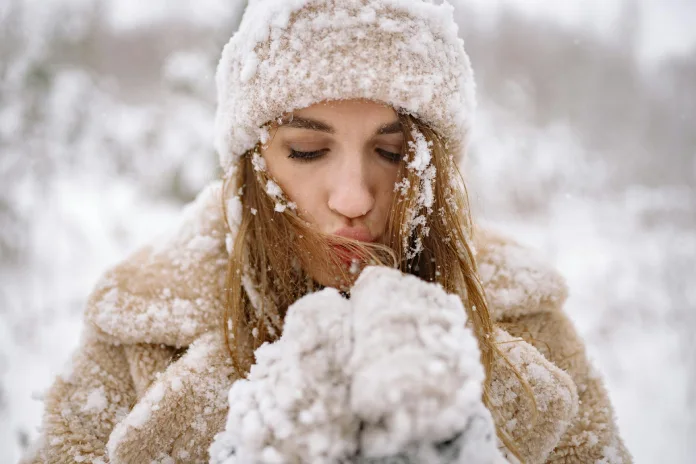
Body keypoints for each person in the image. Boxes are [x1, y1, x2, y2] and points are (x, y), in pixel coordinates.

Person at [22, 1, 631, 463]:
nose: (353, 197)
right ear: (251, 165)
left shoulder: (521, 318)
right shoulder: (141, 325)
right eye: (309, 150)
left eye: (392, 153)